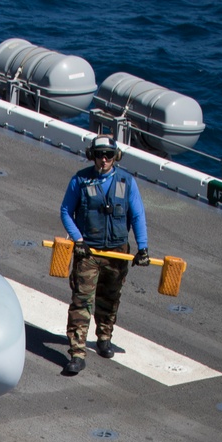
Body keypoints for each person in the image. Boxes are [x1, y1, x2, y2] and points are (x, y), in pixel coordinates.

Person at [59, 135, 150, 376]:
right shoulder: (80, 180)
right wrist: (78, 239)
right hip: (88, 251)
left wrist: (143, 248)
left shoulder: (127, 182)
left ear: (115, 157)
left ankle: (104, 337)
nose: (104, 160)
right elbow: (66, 211)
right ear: (92, 156)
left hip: (117, 252)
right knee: (81, 301)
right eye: (99, 155)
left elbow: (138, 215)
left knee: (110, 298)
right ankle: (77, 353)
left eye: (108, 155)